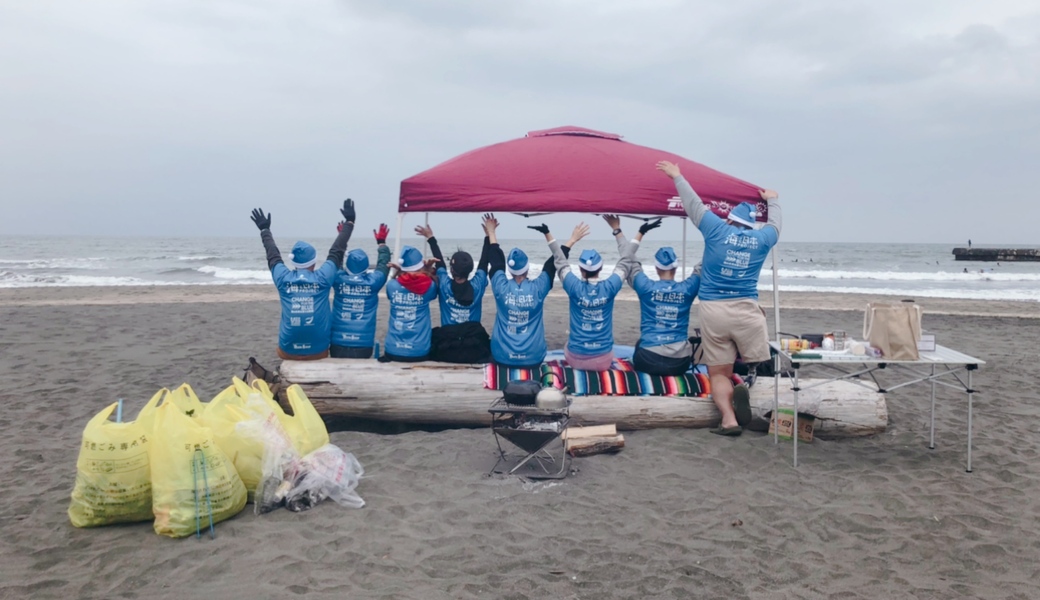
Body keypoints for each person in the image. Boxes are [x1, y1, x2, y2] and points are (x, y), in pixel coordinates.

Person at [657, 160, 781, 436]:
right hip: (748, 311)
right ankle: (747, 382)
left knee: (718, 373)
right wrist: (772, 201)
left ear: (730, 220)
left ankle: (728, 420)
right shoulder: (762, 240)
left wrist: (677, 176)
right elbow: (775, 225)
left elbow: (694, 205)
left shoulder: (717, 230)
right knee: (756, 363)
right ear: (750, 225)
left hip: (714, 311)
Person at [249, 200, 355, 360]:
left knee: (281, 345)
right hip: (319, 352)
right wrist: (349, 223)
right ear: (313, 261)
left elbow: (272, 255)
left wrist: (265, 230)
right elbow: (336, 251)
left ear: (293, 262)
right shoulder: (323, 277)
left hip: (288, 351)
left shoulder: (283, 278)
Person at [485, 215, 587, 369]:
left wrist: (491, 233)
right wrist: (571, 240)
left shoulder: (500, 287)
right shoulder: (538, 288)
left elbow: (496, 262)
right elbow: (553, 264)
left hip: (502, 357)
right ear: (527, 268)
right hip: (533, 358)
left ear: (510, 270)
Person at [607, 214, 701, 376]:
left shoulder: (646, 287)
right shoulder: (689, 288)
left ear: (656, 268)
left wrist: (617, 230)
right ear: (676, 268)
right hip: (679, 363)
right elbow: (707, 262)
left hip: (648, 360)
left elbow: (628, 258)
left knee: (640, 344)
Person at [414, 220, 494, 363]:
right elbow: (484, 262)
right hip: (473, 348)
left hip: (448, 348)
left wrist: (431, 238)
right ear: (470, 270)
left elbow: (439, 263)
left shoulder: (444, 284)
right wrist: (489, 236)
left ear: (451, 270)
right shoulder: (478, 284)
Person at [550, 221, 626, 371]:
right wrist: (618, 231)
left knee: (568, 344)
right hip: (603, 361)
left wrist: (551, 236)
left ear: (579, 268)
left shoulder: (573, 286)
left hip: (575, 360)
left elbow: (559, 261)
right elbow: (627, 260)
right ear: (602, 267)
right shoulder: (610, 286)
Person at [330, 222, 392, 358]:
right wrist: (382, 243)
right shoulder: (373, 282)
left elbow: (335, 260)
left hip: (337, 342)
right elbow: (384, 265)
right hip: (363, 344)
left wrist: (342, 239)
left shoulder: (337, 278)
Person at [380, 246, 439, 362]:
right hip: (419, 351)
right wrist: (428, 268)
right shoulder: (429, 286)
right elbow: (434, 282)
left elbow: (398, 283)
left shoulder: (392, 285)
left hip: (393, 350)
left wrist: (399, 271)